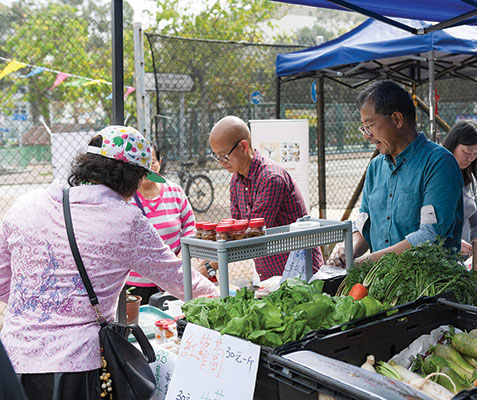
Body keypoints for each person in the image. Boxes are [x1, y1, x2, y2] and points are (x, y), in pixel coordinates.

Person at [0, 125, 217, 399]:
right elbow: (179, 279)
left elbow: (2, 282)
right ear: (131, 177)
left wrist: (43, 304)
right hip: (76, 368)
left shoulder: (25, 205)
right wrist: (222, 297)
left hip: (12, 362)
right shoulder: (128, 222)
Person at [328, 80, 464, 266]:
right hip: (381, 283)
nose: (366, 135)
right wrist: (347, 249)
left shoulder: (439, 163)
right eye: (363, 128)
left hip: (428, 286)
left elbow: (429, 236)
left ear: (397, 119)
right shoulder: (375, 167)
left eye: (370, 126)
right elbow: (366, 226)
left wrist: (365, 262)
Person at [208, 116, 323, 281]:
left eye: (224, 155)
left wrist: (209, 267)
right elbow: (237, 230)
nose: (221, 162)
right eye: (216, 156)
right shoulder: (236, 179)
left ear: (243, 146)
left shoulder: (271, 178)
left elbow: (253, 234)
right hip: (270, 275)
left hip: (299, 272)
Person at [126, 143, 196, 304]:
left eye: (151, 162)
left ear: (160, 162)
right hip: (136, 284)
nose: (147, 169)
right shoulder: (125, 197)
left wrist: (181, 256)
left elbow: (190, 226)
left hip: (173, 278)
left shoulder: (175, 192)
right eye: (140, 164)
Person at [442, 120, 477, 256]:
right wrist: (452, 243)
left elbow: (476, 219)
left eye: (475, 154)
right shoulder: (436, 176)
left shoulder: (469, 177)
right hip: (439, 256)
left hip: (463, 258)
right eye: (467, 152)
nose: (470, 159)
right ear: (453, 144)